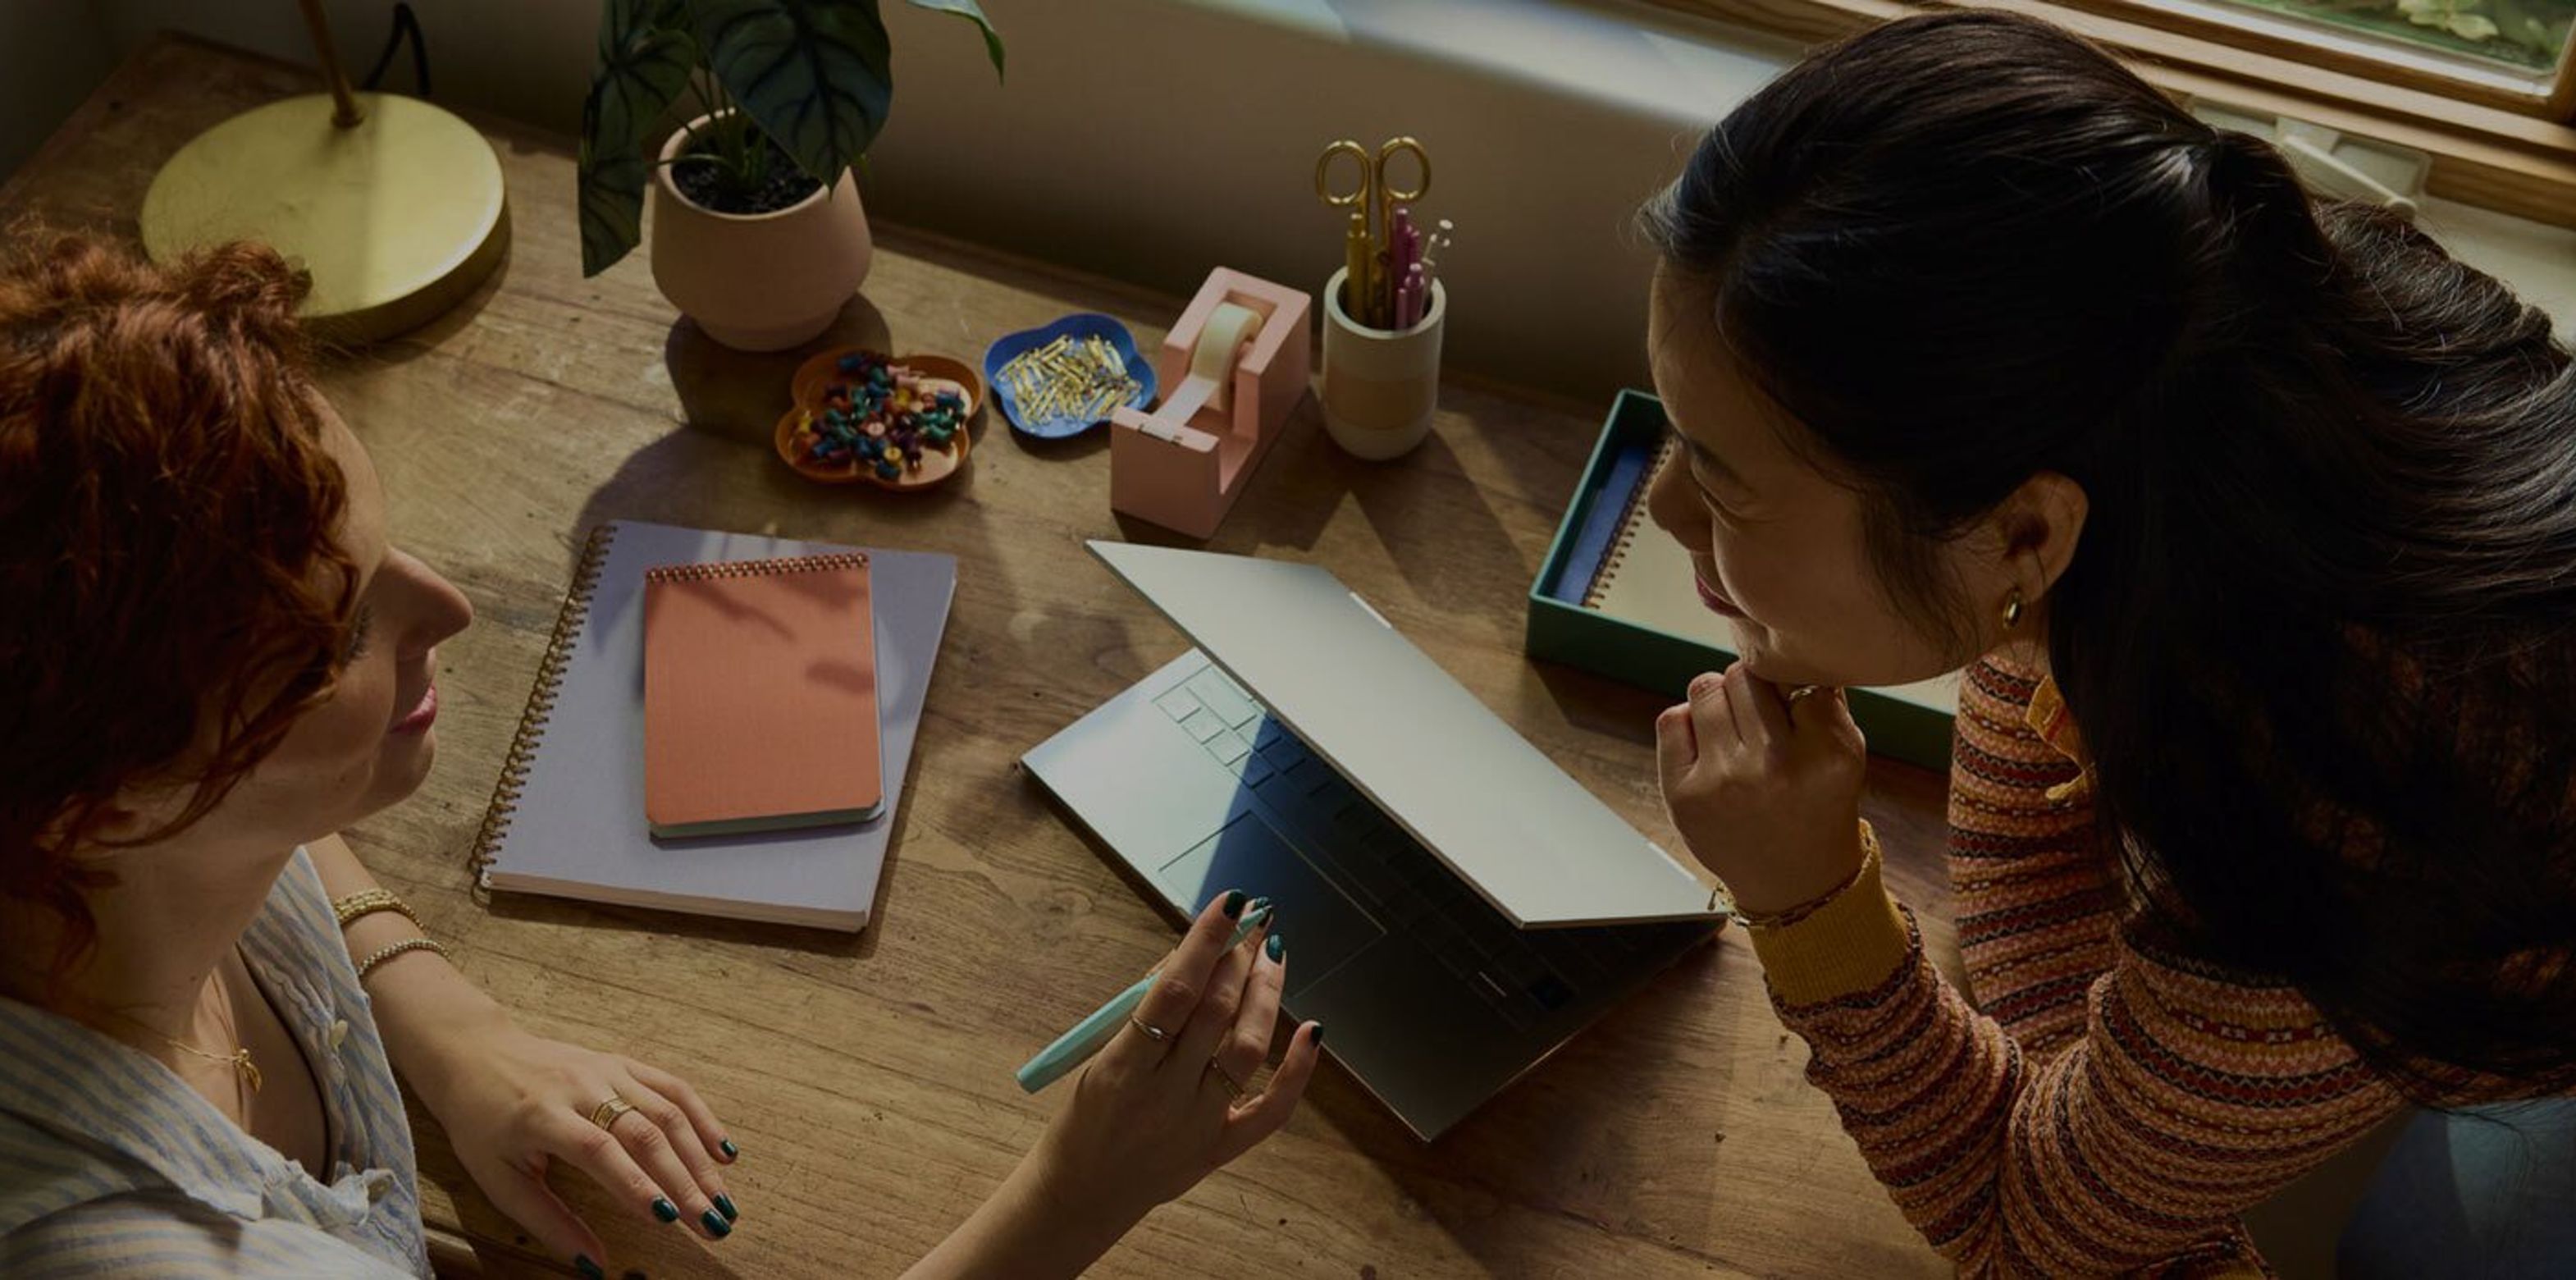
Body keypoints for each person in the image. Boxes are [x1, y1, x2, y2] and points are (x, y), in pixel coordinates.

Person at [0, 229, 1322, 1278]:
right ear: (98, 795)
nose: (449, 606)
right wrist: (1081, 1190)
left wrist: (448, 1025)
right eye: (333, 637)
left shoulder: (88, 829)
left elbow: (260, 825)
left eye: (379, 550)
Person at [1636, 11, 2576, 1276]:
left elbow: (2025, 1242)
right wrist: (2084, 1120)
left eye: (1721, 475)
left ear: (2025, 535)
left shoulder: (2310, 856)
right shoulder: (2183, 366)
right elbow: (2019, 694)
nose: (1664, 508)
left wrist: (1809, 901)